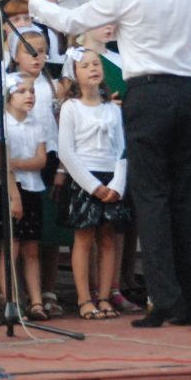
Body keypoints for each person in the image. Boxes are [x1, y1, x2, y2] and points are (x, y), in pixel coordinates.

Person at [9, 0, 191, 327]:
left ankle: (163, 299)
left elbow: (70, 22)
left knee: (151, 197)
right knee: (189, 197)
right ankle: (188, 301)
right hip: (189, 94)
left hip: (147, 95)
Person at [58, 47, 131, 321]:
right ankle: (84, 299)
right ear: (74, 74)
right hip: (85, 179)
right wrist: (93, 186)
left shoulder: (112, 108)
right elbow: (67, 151)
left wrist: (117, 185)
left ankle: (104, 296)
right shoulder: (71, 108)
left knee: (108, 238)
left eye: (96, 64)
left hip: (111, 179)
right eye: (86, 65)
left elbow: (121, 150)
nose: (93, 69)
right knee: (84, 238)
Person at [0, 75, 48, 320]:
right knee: (12, 247)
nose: (29, 95)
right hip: (11, 189)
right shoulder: (2, 125)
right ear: (9, 97)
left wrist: (15, 163)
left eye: (32, 91)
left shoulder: (36, 124)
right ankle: (12, 301)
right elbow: (2, 163)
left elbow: (41, 160)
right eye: (21, 91)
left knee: (31, 248)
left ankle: (36, 301)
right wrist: (14, 195)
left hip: (33, 188)